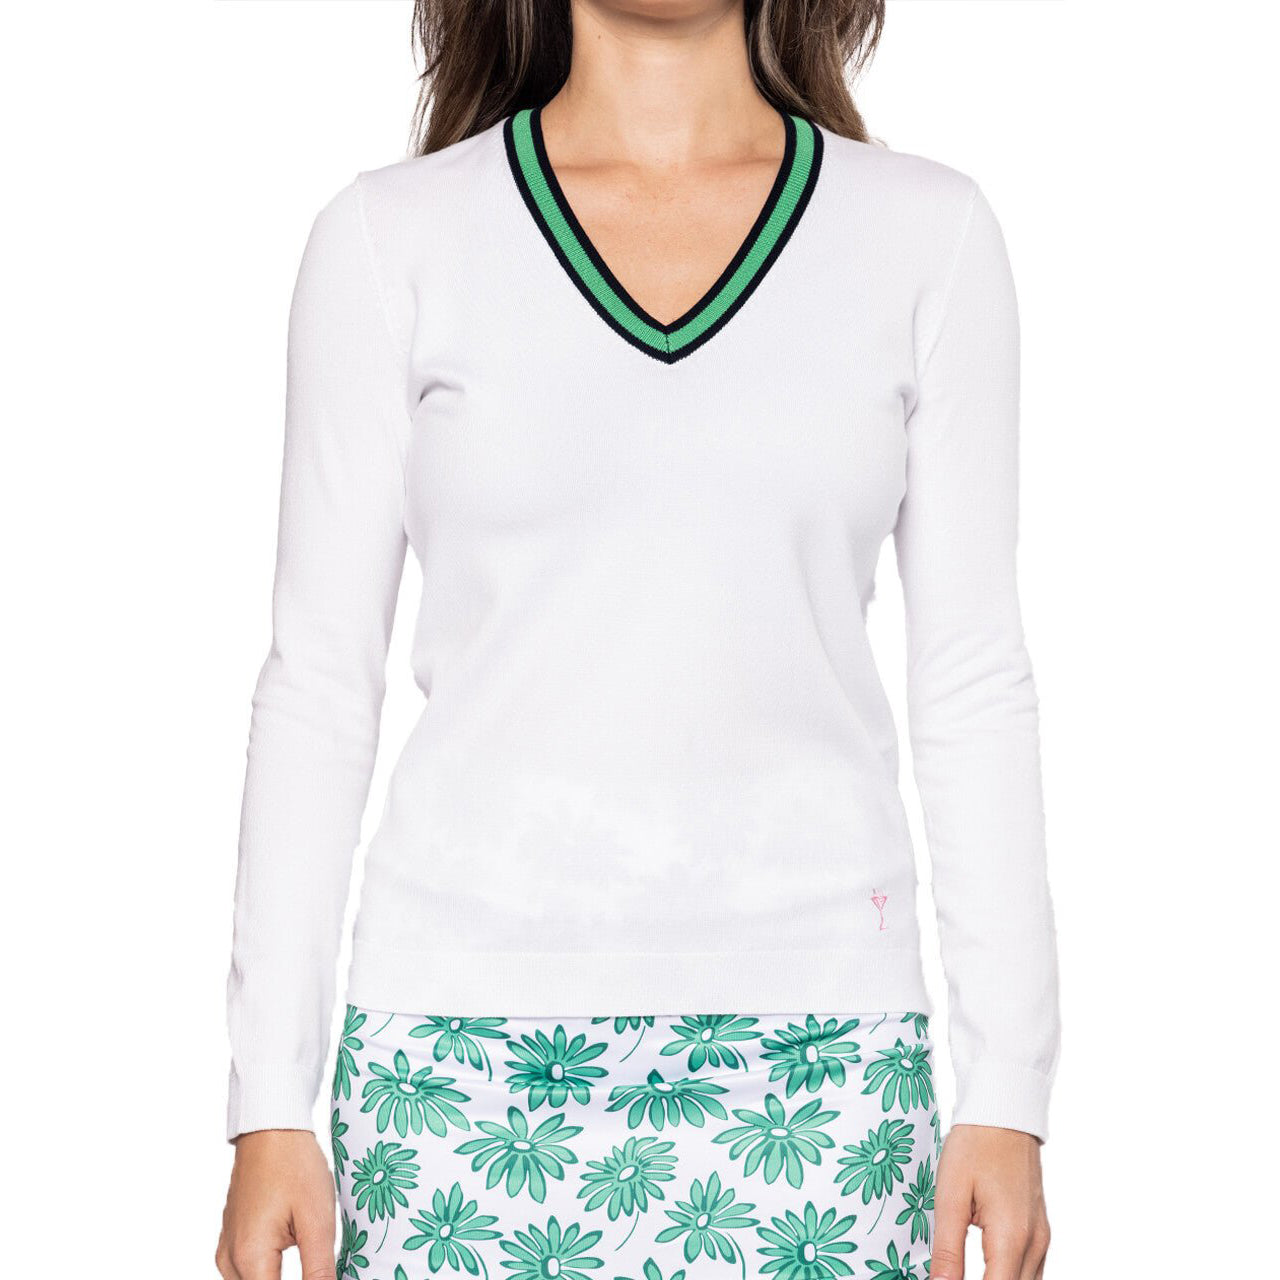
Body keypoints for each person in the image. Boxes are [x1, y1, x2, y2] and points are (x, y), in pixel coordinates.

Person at [217, 3, 1058, 1278]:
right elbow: (319, 684)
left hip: (823, 1057)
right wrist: (269, 1097)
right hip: (454, 1060)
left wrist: (1006, 1084)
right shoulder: (390, 237)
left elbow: (971, 679)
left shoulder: (924, 237)